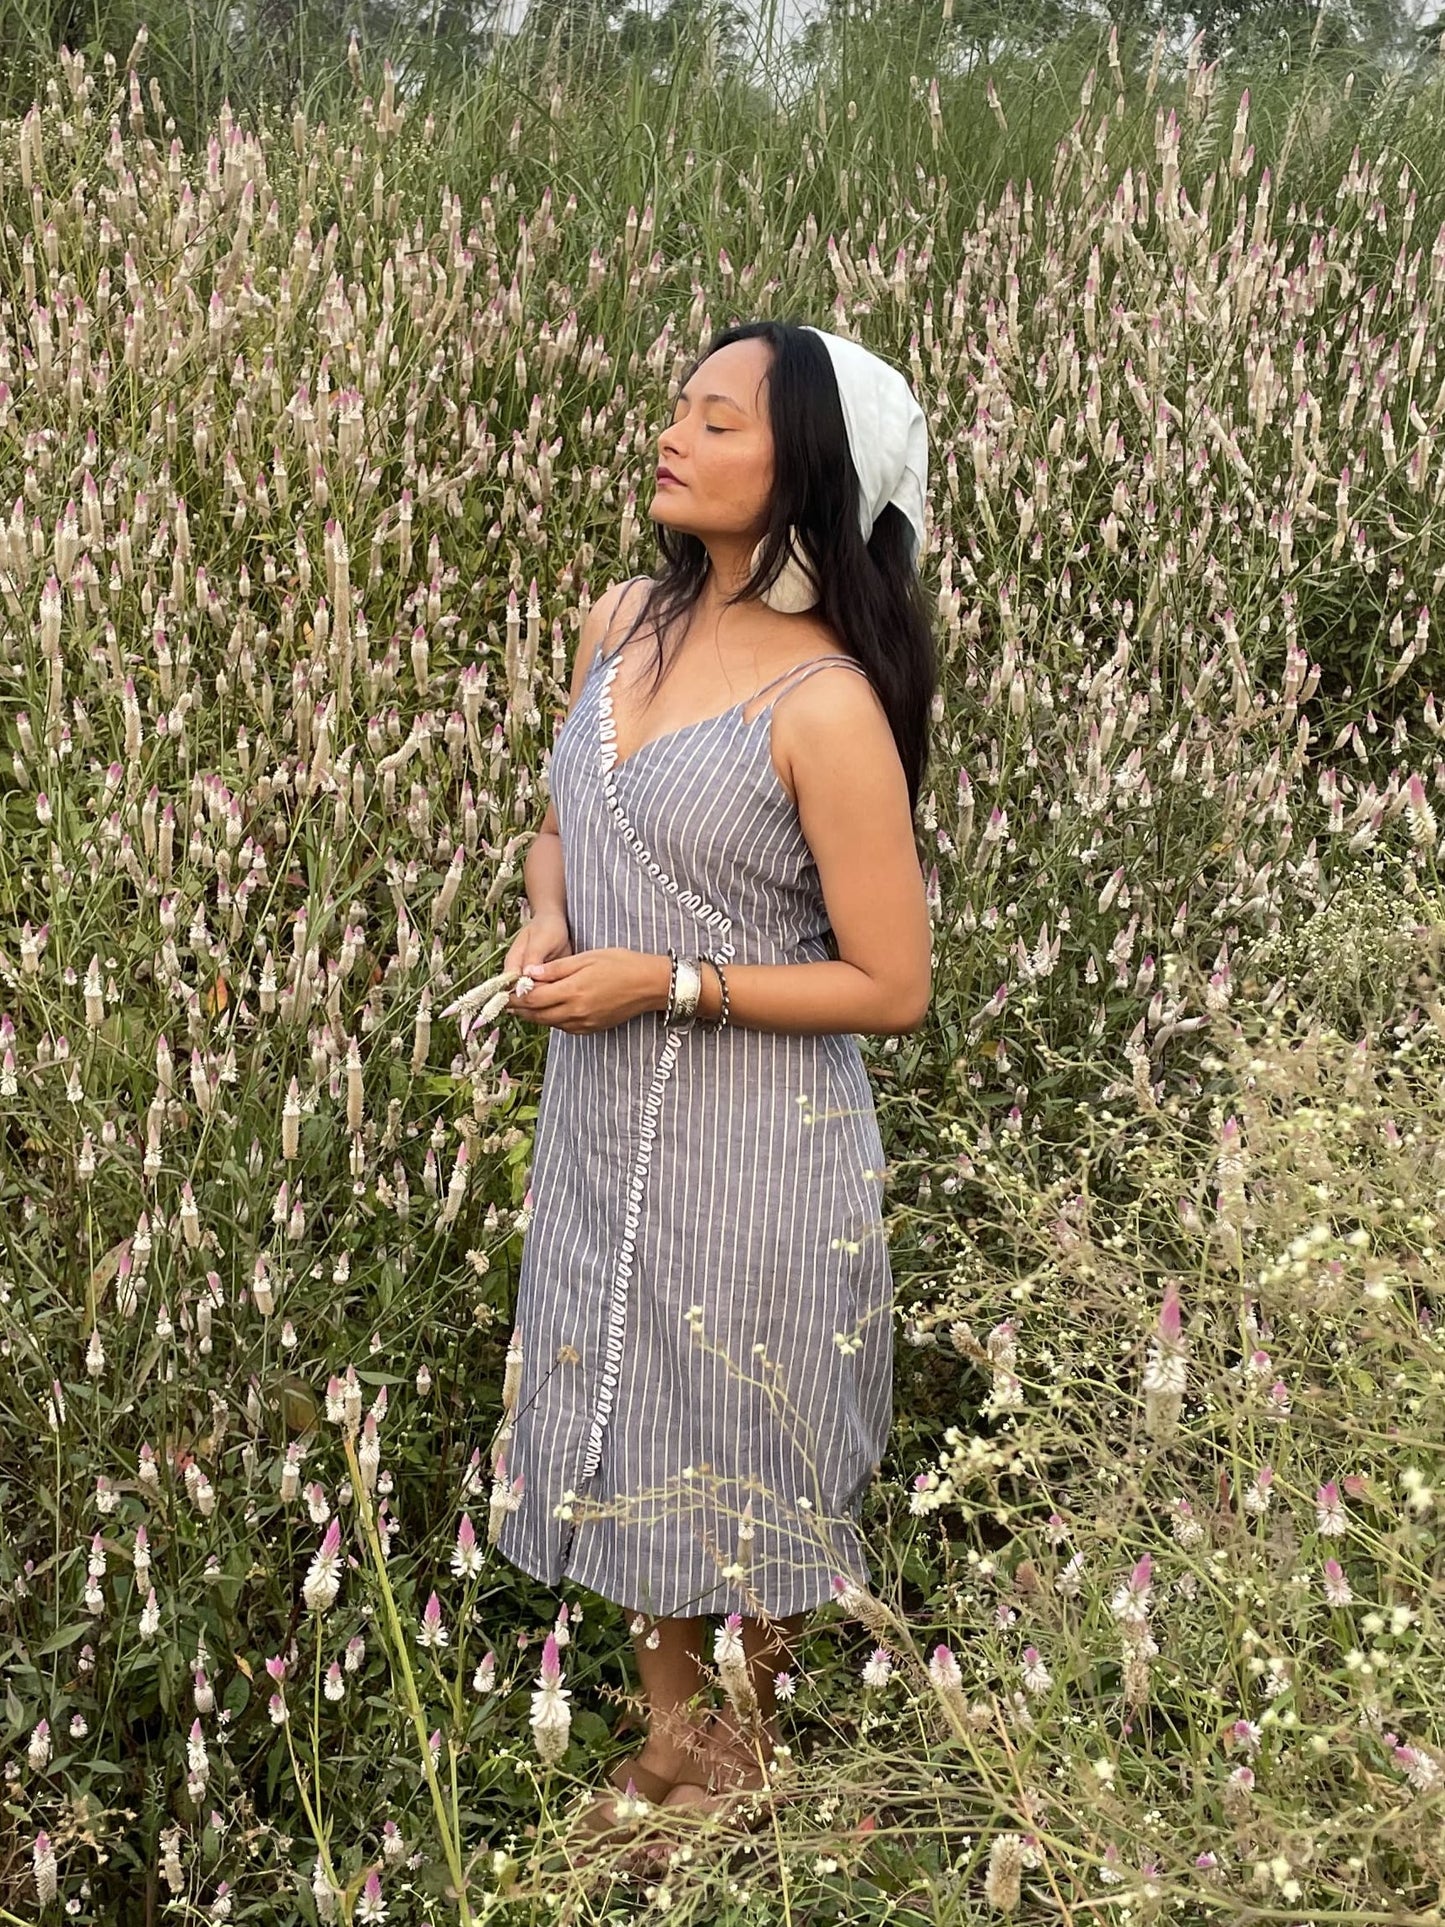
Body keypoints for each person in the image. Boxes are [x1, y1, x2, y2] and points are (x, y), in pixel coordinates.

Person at [490, 319, 935, 1834]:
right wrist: (551, 919)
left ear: (804, 469)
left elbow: (891, 984)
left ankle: (738, 1758)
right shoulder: (621, 618)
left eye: (721, 420)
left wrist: (660, 980)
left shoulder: (821, 702)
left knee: (744, 1437)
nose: (675, 432)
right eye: (680, 404)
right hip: (605, 1114)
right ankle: (668, 1743)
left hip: (762, 1140)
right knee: (631, 1402)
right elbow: (569, 815)